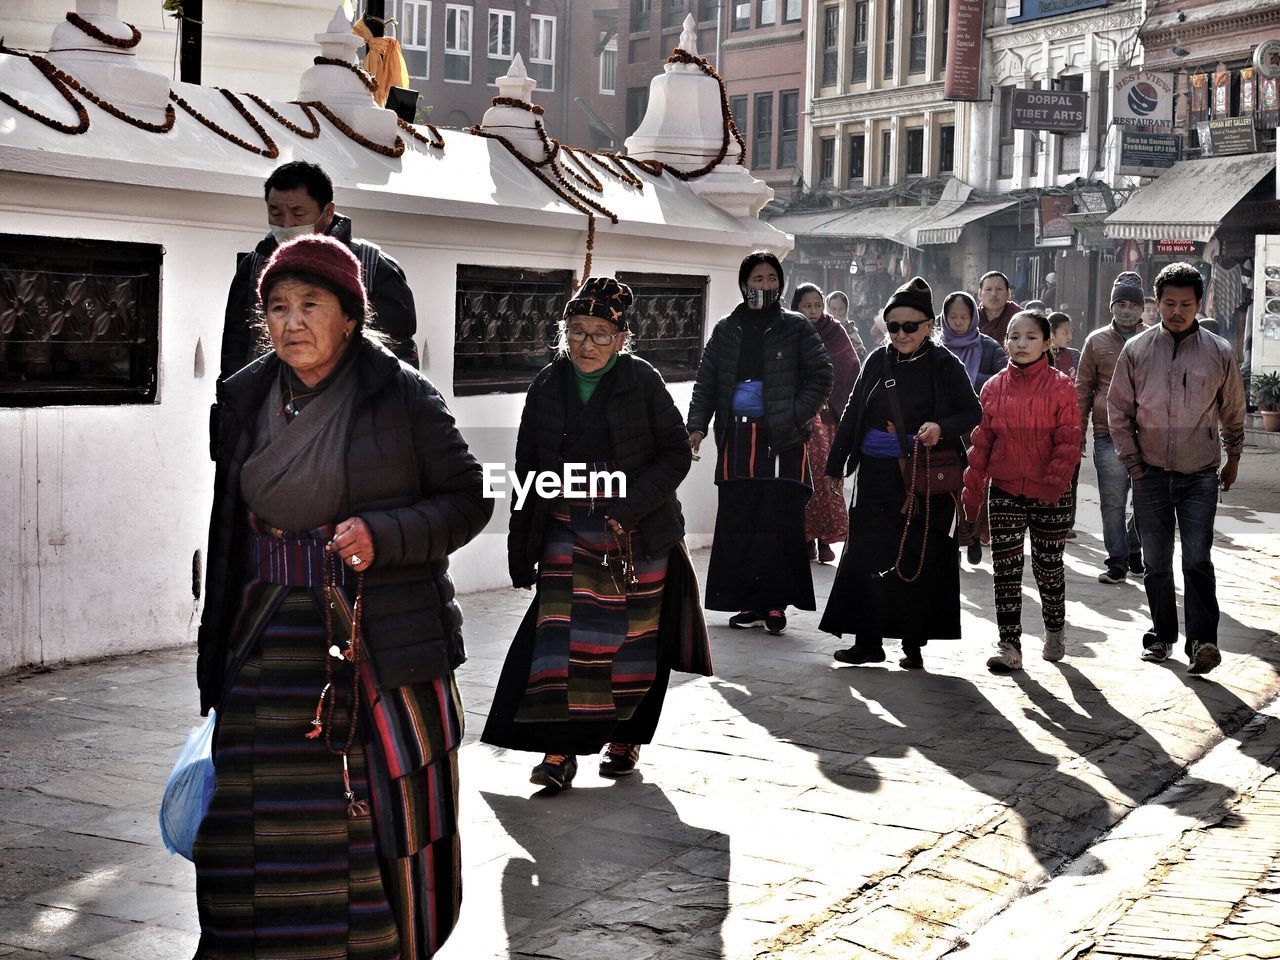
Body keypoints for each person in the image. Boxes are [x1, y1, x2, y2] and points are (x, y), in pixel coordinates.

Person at [194, 235, 492, 958]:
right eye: (277, 308)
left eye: (310, 305)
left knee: (356, 806)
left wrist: (387, 533)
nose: (291, 322)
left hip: (369, 637)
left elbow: (469, 497)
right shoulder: (245, 397)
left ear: (351, 315)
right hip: (264, 634)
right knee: (247, 809)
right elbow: (231, 521)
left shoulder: (401, 395)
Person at [482, 277, 711, 790]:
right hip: (566, 526)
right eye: (577, 331)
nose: (586, 345)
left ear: (622, 338)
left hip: (638, 533)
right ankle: (559, 751)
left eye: (600, 333)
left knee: (634, 641)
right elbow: (528, 468)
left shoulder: (642, 381)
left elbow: (675, 453)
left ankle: (626, 736)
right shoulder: (547, 384)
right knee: (561, 642)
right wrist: (521, 547)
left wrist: (629, 506)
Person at [821, 277, 982, 669]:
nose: (902, 334)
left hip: (924, 474)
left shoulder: (946, 364)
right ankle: (867, 641)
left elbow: (972, 411)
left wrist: (940, 428)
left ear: (930, 325)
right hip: (876, 473)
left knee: (918, 554)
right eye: (894, 326)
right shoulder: (877, 360)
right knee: (868, 554)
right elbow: (853, 412)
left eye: (911, 326)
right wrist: (834, 464)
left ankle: (913, 644)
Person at [1108, 262, 1246, 675]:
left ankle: (1203, 642)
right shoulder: (1136, 350)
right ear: (1157, 304)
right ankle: (1162, 636)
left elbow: (1233, 409)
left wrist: (1233, 456)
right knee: (1156, 561)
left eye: (1186, 304)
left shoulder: (1219, 351)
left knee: (1197, 560)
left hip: (1200, 473)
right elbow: (1118, 410)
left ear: (1199, 304)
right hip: (1148, 472)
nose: (1177, 311)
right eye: (1169, 304)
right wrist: (1132, 462)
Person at [687, 251, 833, 636]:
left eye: (771, 279)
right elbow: (706, 382)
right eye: (757, 280)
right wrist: (697, 426)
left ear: (780, 283)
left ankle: (774, 604)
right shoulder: (726, 328)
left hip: (783, 441)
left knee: (778, 522)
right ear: (743, 284)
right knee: (741, 521)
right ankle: (748, 603)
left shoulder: (797, 327)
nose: (764, 286)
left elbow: (822, 376)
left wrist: (790, 415)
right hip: (737, 437)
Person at [220, 161, 419, 380]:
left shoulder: (372, 267)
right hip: (271, 406)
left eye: (298, 213)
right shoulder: (254, 266)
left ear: (327, 213)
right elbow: (234, 355)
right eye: (276, 213)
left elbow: (398, 359)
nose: (286, 224)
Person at [962, 311, 1082, 673]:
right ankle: (1009, 645)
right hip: (1005, 490)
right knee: (1006, 570)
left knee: (1048, 566)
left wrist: (1053, 484)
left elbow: (1069, 441)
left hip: (1052, 493)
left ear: (1047, 343)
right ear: (1005, 342)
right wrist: (971, 496)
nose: (1021, 344)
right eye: (1014, 337)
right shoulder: (994, 388)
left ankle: (1055, 630)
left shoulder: (1062, 387)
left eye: (1031, 337)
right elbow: (981, 444)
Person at [1077, 272, 1146, 584]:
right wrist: (1077, 432)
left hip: (1149, 434)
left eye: (1133, 303)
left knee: (1149, 501)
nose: (1127, 308)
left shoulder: (1155, 338)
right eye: (1121, 302)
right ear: (1111, 306)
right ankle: (1117, 562)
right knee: (1113, 502)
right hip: (1107, 435)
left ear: (1143, 307)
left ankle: (1133, 546)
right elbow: (1083, 390)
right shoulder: (1096, 341)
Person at [937, 290, 1007, 565]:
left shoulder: (989, 347)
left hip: (980, 428)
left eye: (963, 317)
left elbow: (1003, 380)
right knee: (948, 485)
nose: (957, 322)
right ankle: (953, 540)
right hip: (946, 429)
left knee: (977, 486)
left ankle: (976, 536)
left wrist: (969, 378)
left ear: (973, 317)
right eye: (952, 316)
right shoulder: (935, 347)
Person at [794, 283, 861, 563]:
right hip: (796, 419)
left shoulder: (835, 331)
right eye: (807, 306)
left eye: (817, 305)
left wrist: (825, 390)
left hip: (826, 418)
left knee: (825, 479)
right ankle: (805, 539)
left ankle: (825, 539)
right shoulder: (789, 330)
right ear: (796, 306)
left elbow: (850, 365)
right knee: (800, 480)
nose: (813, 311)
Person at [1049, 311, 1082, 538]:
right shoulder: (1041, 356)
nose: (1069, 336)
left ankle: (1067, 522)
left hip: (1072, 423)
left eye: (1071, 332)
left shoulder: (1076, 356)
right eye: (1065, 332)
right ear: (1051, 334)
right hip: (1047, 425)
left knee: (1071, 474)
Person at [978, 270, 1022, 342]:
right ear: (980, 294)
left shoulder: (1020, 317)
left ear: (1008, 294)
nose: (994, 294)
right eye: (988, 289)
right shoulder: (971, 318)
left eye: (999, 289)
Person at [826, 289, 867, 358]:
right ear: (828, 308)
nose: (837, 313)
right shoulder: (823, 327)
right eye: (833, 309)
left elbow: (860, 352)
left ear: (846, 309)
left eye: (841, 309)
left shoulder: (850, 328)